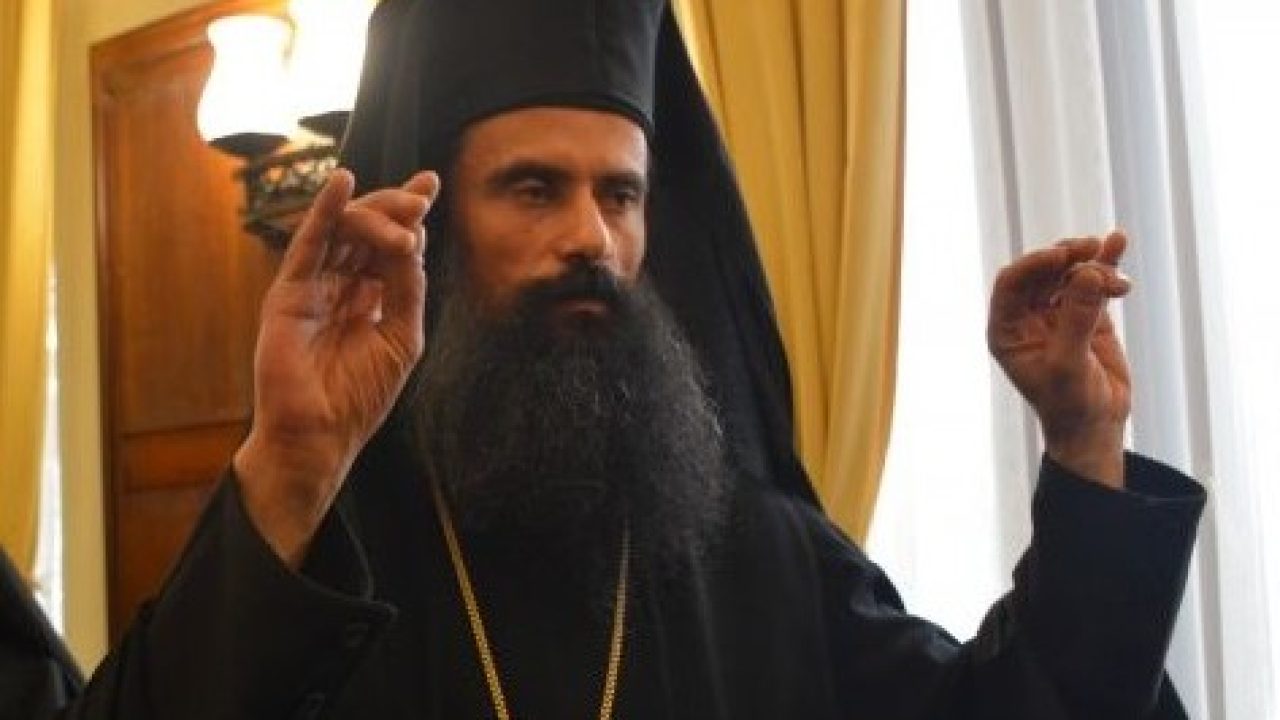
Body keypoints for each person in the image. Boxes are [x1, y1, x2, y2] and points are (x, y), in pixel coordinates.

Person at [54, 1, 1205, 718]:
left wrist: (1081, 444)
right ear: (433, 221)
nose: (590, 241)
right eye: (531, 189)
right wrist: (291, 466)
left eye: (619, 194)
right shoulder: (321, 555)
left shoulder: (748, 544)